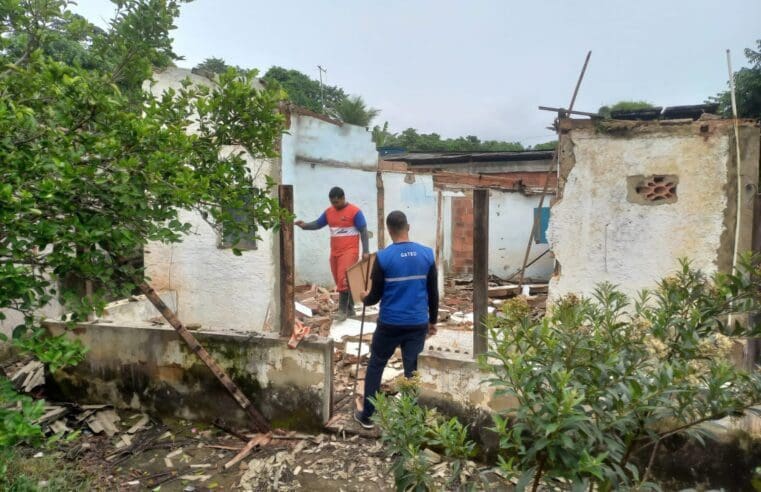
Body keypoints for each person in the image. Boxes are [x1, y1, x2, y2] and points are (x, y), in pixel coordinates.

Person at [354, 210, 438, 429]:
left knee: (376, 364)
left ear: (389, 231)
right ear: (407, 227)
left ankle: (368, 416)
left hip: (390, 324)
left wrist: (364, 298)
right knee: (412, 370)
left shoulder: (383, 257)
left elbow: (375, 297)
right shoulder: (427, 255)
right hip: (417, 323)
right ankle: (410, 420)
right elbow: (433, 292)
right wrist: (433, 321)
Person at [295, 186, 370, 321]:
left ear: (343, 198)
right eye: (332, 202)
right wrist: (305, 225)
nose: (334, 205)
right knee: (339, 280)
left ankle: (342, 311)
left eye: (336, 202)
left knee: (343, 279)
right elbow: (318, 223)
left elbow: (363, 230)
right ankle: (350, 310)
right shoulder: (329, 212)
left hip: (349, 251)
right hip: (335, 252)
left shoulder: (355, 212)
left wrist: (366, 251)